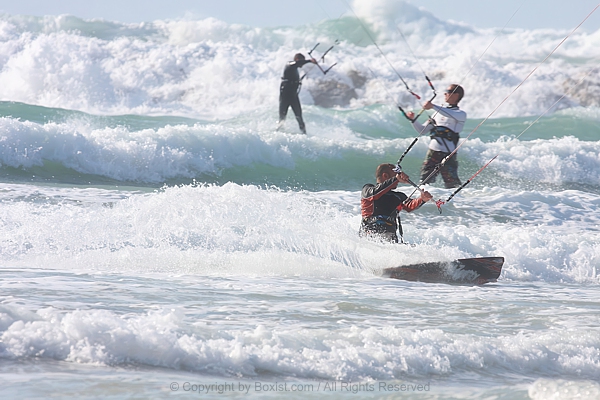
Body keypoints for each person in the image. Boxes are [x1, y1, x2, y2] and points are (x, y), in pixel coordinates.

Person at [406, 84, 466, 188]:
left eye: (448, 91)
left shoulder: (460, 114)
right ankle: (424, 201)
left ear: (456, 95)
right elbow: (422, 130)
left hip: (448, 154)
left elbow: (449, 114)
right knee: (424, 181)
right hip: (433, 152)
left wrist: (433, 106)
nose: (445, 93)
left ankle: (454, 202)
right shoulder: (437, 113)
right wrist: (413, 120)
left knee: (452, 184)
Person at [360, 163, 433, 243]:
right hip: (369, 234)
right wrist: (395, 179)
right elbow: (374, 194)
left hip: (390, 237)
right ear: (385, 176)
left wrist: (422, 199)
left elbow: (409, 206)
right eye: (395, 175)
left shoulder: (398, 196)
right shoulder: (368, 189)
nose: (399, 180)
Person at [277, 53, 316, 134]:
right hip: (285, 95)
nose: (302, 65)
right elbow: (296, 63)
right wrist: (309, 61)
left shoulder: (295, 70)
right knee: (282, 117)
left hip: (293, 95)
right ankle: (278, 133)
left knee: (299, 116)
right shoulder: (289, 65)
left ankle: (304, 134)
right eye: (301, 62)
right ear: (298, 59)